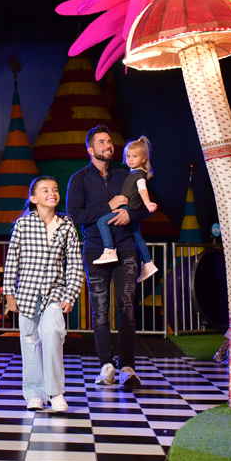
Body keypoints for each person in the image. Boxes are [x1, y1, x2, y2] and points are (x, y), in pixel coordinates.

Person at [67, 125, 148, 390]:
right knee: (100, 309)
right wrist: (109, 206)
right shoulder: (79, 179)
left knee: (126, 308)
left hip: (125, 248)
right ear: (90, 149)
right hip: (95, 250)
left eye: (110, 141)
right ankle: (106, 365)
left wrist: (130, 215)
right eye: (101, 142)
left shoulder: (126, 175)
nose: (108, 145)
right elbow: (76, 216)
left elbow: (145, 209)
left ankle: (127, 366)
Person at [3, 176, 83, 412]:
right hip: (27, 294)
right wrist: (9, 294)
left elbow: (75, 263)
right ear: (33, 198)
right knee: (30, 343)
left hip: (54, 293)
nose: (52, 193)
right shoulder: (23, 225)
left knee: (52, 333)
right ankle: (34, 393)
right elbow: (11, 261)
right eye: (45, 190)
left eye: (55, 190)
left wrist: (71, 294)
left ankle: (56, 392)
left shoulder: (66, 225)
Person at [92, 137, 161, 285]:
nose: (130, 159)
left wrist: (148, 203)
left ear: (144, 158)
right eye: (128, 156)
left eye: (134, 156)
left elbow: (142, 189)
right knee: (137, 236)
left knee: (102, 221)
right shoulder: (133, 172)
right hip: (130, 208)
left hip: (128, 208)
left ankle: (109, 249)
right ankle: (148, 263)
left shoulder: (138, 175)